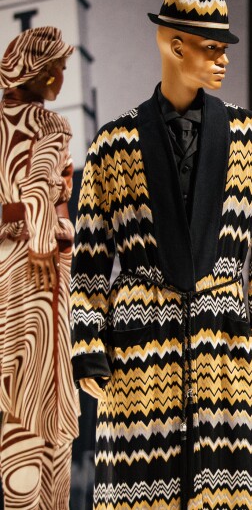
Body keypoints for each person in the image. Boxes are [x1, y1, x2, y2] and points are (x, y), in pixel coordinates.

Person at [70, 0, 252, 508]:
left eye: (224, 47)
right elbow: (90, 260)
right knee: (138, 489)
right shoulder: (114, 143)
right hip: (140, 342)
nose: (223, 60)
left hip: (224, 337)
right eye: (211, 48)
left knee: (232, 486)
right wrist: (87, 347)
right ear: (174, 46)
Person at [0, 26, 79, 509]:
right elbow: (36, 192)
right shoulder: (50, 126)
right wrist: (47, 239)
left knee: (9, 388)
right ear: (45, 72)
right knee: (39, 393)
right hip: (35, 272)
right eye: (62, 68)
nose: (63, 78)